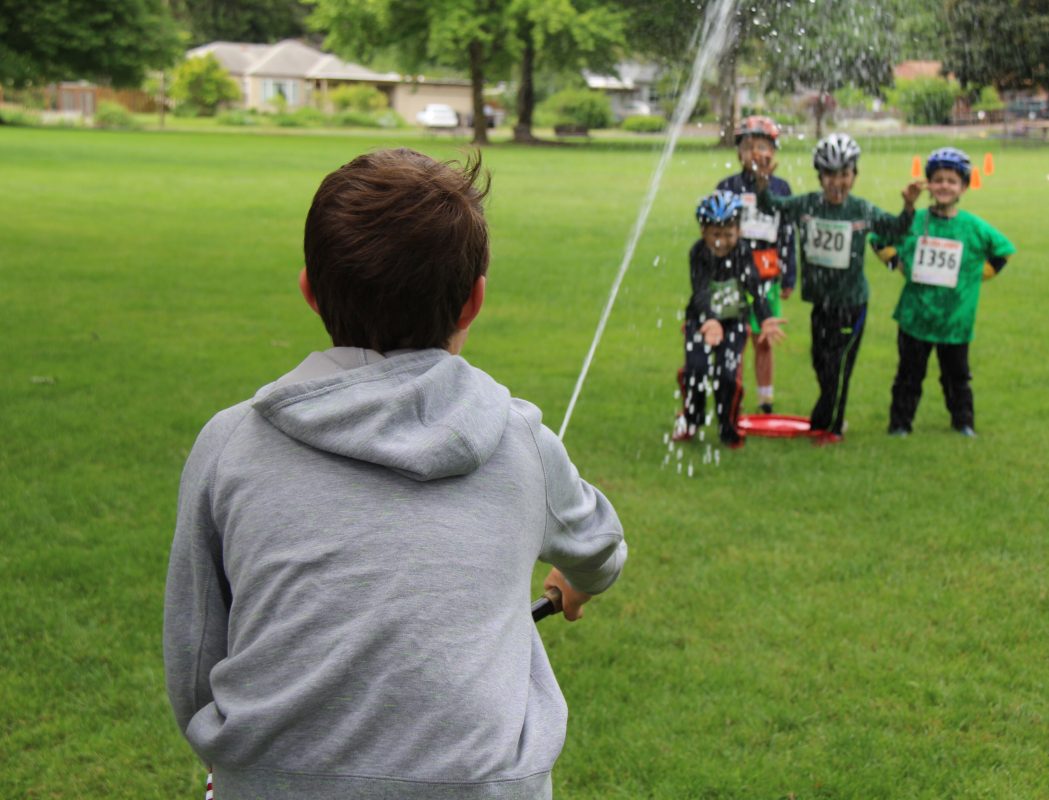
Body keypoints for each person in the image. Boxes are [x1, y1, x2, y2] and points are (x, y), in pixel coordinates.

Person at [163, 148, 627, 800]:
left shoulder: (229, 445)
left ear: (309, 291)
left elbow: (194, 660)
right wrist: (578, 582)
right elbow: (601, 548)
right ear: (473, 302)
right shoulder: (519, 440)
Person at [756, 133, 923, 445]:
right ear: (820, 176)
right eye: (830, 174)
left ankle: (831, 428)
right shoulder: (806, 205)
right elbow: (770, 208)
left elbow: (896, 229)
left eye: (844, 174)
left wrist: (908, 206)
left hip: (852, 304)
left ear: (854, 176)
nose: (837, 182)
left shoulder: (861, 210)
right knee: (820, 362)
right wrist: (763, 180)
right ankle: (826, 416)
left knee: (839, 368)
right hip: (821, 304)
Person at [884, 147, 1016, 438]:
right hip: (915, 316)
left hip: (956, 320)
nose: (944, 186)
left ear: (964, 187)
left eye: (952, 181)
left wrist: (979, 274)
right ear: (928, 184)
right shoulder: (915, 220)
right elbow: (879, 237)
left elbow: (1004, 249)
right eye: (939, 179)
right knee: (909, 375)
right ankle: (900, 423)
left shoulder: (972, 227)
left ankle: (963, 422)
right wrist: (897, 263)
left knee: (957, 376)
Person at [675, 190, 786, 448]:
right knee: (696, 369)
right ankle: (692, 419)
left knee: (727, 374)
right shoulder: (698, 253)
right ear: (703, 231)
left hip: (734, 321)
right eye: (715, 234)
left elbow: (755, 288)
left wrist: (766, 317)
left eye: (728, 234)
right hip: (701, 320)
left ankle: (728, 425)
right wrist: (710, 320)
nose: (721, 242)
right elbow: (700, 290)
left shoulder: (744, 253)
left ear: (739, 230)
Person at [716, 115, 796, 414]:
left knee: (764, 336)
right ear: (739, 152)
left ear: (773, 152)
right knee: (735, 338)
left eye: (762, 146)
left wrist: (789, 275)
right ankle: (732, 394)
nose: (755, 153)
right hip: (733, 276)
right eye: (748, 146)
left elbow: (787, 233)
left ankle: (765, 399)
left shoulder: (782, 188)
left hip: (766, 273)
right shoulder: (728, 186)